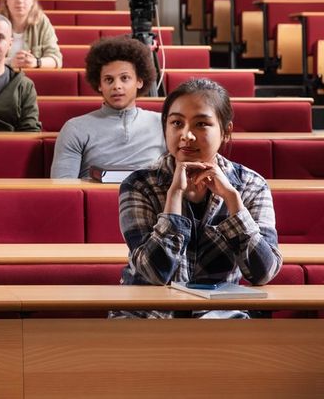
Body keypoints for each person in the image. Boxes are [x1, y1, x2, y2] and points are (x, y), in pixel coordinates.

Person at [114, 79, 282, 319]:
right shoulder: (139, 185)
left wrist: (234, 201)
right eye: (176, 123)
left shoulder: (251, 185)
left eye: (201, 124)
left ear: (226, 132)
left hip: (221, 314)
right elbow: (154, 274)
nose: (186, 135)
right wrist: (174, 199)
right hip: (147, 313)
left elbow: (263, 273)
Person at [51, 36, 164, 178]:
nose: (117, 86)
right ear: (99, 85)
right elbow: (63, 189)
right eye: (109, 79)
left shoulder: (162, 124)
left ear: (139, 81)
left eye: (125, 78)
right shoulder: (74, 128)